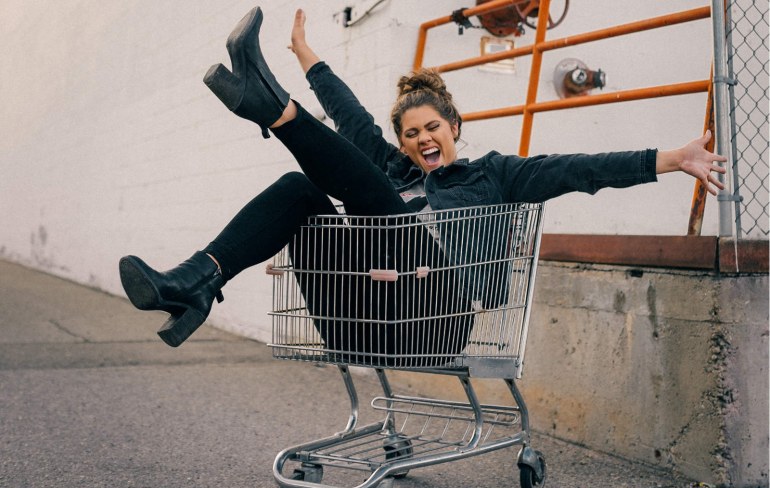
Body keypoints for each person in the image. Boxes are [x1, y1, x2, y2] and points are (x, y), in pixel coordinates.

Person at [119, 6, 727, 359]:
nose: (421, 140)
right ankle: (195, 282)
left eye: (432, 128)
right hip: (357, 314)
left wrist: (673, 157)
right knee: (299, 189)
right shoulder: (392, 169)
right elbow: (350, 116)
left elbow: (580, 169)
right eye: (410, 135)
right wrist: (305, 52)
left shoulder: (493, 174)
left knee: (375, 200)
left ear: (453, 127)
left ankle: (272, 109)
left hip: (434, 320)